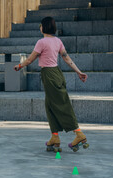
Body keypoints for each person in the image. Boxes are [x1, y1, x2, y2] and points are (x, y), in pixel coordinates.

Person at [14, 17, 89, 152]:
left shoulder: (41, 42)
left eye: (40, 25)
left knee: (62, 104)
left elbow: (30, 59)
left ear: (44, 27)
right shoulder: (58, 41)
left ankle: (79, 134)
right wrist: (79, 72)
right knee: (49, 105)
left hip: (49, 75)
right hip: (57, 73)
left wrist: (19, 66)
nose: (40, 27)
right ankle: (55, 136)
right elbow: (66, 58)